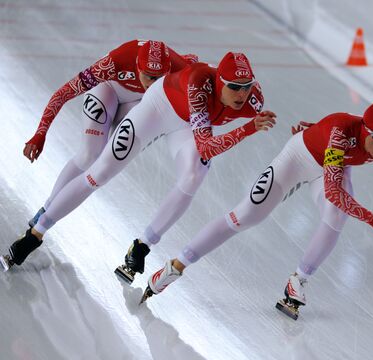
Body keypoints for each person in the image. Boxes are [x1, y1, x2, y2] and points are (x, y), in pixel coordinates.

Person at [1, 52, 277, 274]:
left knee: (193, 175)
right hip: (158, 109)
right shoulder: (199, 83)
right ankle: (35, 234)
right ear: (219, 82)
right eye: (234, 87)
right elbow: (206, 144)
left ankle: (142, 247)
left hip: (187, 126)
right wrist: (249, 129)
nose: (241, 95)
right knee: (101, 171)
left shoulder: (253, 100)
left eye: (246, 87)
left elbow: (204, 143)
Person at [140, 101, 373, 320]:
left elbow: (335, 177)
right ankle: (175, 266)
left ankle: (298, 281)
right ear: (365, 131)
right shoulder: (343, 132)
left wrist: (316, 129)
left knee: (337, 216)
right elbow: (334, 190)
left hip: (328, 166)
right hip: (297, 159)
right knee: (244, 216)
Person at [25, 39, 199, 228]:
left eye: (159, 78)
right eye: (148, 76)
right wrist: (40, 133)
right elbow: (63, 94)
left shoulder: (179, 69)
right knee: (90, 155)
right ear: (137, 68)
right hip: (107, 89)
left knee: (110, 158)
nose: (153, 83)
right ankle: (46, 210)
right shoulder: (113, 63)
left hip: (138, 102)